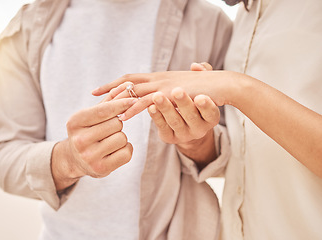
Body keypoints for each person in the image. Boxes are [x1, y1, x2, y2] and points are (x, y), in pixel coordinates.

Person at [0, 0, 233, 239]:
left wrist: (195, 142)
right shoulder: (26, 28)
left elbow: (237, 154)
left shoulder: (211, 24)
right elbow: (3, 155)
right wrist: (69, 160)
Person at [93, 0, 322, 239]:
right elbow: (251, 152)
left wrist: (236, 87)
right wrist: (196, 140)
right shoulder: (244, 17)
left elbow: (237, 91)